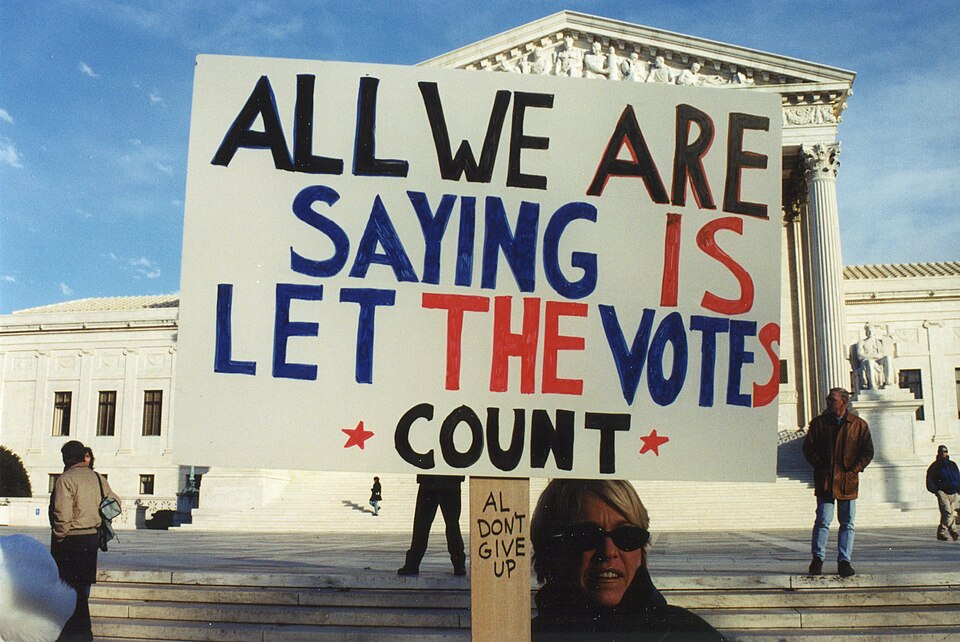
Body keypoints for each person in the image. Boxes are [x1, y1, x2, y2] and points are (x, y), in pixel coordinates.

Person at [530, 479, 724, 640]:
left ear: (641, 552)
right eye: (586, 535)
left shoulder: (692, 635)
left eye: (627, 536)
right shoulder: (522, 636)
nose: (608, 552)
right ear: (550, 549)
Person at [50, 440, 120, 641]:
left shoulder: (65, 479)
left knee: (69, 590)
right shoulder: (97, 478)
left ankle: (76, 634)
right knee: (82, 589)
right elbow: (116, 501)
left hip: (71, 540)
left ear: (66, 458)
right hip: (91, 539)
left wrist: (59, 535)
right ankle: (80, 633)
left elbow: (62, 515)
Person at [802, 388, 874, 577]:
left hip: (847, 481)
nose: (828, 402)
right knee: (822, 521)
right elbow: (808, 448)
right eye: (828, 399)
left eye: (832, 399)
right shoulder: (819, 424)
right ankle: (817, 559)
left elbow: (868, 451)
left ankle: (844, 561)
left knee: (847, 523)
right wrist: (820, 465)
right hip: (826, 480)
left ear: (844, 402)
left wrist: (854, 469)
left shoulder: (858, 425)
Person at [397, 475, 466, 576]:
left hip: (430, 481)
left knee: (422, 524)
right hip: (450, 481)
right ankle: (459, 565)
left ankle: (413, 564)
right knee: (452, 525)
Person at [925, 445, 960, 541]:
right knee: (947, 512)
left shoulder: (952, 464)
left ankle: (941, 532)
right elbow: (930, 479)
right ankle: (954, 532)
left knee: (948, 514)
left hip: (953, 492)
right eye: (942, 452)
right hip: (943, 492)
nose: (944, 454)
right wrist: (936, 490)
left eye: (945, 452)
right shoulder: (935, 466)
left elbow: (958, 477)